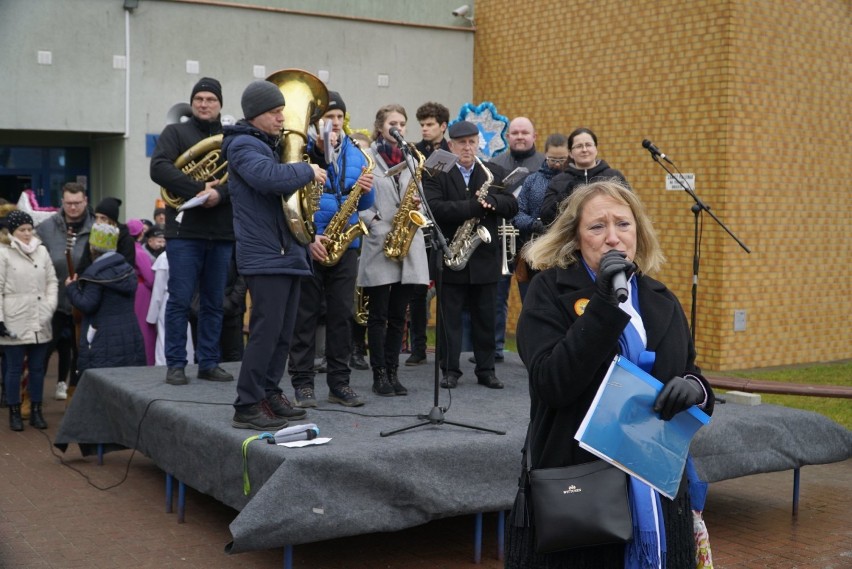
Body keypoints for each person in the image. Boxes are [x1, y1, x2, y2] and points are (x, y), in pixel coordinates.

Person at [505, 180, 715, 568]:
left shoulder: (661, 298)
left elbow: (693, 372)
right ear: (575, 236)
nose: (612, 238)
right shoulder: (548, 292)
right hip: (582, 488)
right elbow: (553, 383)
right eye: (597, 226)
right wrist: (605, 302)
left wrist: (694, 389)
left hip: (659, 488)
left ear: (639, 233)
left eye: (623, 224)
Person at [222, 79, 327, 429]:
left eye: (283, 110)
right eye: (275, 111)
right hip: (266, 253)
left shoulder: (269, 144)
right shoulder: (242, 145)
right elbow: (268, 179)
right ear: (255, 115)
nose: (283, 117)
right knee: (266, 331)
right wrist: (306, 170)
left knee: (283, 332)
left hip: (287, 251)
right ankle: (246, 404)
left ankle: (269, 393)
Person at [287, 90, 375, 409]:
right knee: (305, 315)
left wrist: (366, 191)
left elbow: (364, 203)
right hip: (310, 242)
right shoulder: (301, 152)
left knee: (342, 315)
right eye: (329, 118)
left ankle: (340, 382)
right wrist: (309, 238)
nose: (335, 123)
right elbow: (292, 202)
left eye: (339, 117)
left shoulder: (354, 152)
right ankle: (302, 382)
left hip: (345, 243)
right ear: (315, 123)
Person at [150, 76, 235, 386]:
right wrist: (200, 189)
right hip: (184, 232)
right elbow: (158, 167)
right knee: (180, 299)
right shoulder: (176, 132)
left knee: (214, 300)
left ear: (220, 104)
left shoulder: (231, 137)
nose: (204, 104)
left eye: (210, 99)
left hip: (222, 231)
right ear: (192, 102)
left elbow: (239, 179)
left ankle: (209, 362)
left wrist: (219, 195)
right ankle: (176, 363)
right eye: (199, 98)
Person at [423, 120, 517, 389]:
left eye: (472, 142)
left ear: (479, 143)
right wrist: (475, 208)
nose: (467, 147)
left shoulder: (494, 172)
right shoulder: (436, 172)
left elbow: (511, 205)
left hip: (484, 256)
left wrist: (493, 202)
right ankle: (450, 370)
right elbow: (436, 208)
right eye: (461, 143)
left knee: (486, 318)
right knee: (449, 319)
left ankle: (486, 370)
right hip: (451, 255)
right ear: (450, 145)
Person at [357, 104, 430, 396]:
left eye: (402, 122)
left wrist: (417, 207)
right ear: (380, 128)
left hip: (407, 243)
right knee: (378, 315)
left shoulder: (412, 159)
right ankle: (378, 375)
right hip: (379, 243)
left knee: (400, 315)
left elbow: (422, 199)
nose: (397, 127)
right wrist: (373, 223)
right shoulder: (367, 159)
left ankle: (392, 372)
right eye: (392, 123)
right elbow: (356, 196)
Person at [488, 116, 545, 363]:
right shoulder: (494, 163)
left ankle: (534, 351)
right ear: (507, 137)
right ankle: (495, 348)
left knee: (532, 299)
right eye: (515, 132)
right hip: (500, 241)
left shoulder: (544, 164)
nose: (520, 136)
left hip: (532, 243)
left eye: (525, 132)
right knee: (496, 298)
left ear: (534, 136)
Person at [35, 181, 93, 402]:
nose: (73, 207)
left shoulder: (97, 226)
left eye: (77, 203)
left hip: (84, 303)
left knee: (81, 355)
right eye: (68, 203)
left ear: (85, 200)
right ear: (62, 201)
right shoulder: (47, 228)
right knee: (43, 352)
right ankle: (32, 399)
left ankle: (74, 400)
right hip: (54, 302)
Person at [0, 211, 58, 431]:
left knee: (37, 368)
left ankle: (36, 409)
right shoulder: (4, 253)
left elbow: (52, 281)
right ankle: (14, 410)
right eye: (21, 230)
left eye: (29, 229)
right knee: (14, 368)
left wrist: (49, 305)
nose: (26, 234)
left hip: (40, 316)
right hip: (14, 317)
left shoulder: (41, 251)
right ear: (12, 231)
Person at [66, 223, 146, 379]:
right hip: (130, 334)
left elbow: (87, 305)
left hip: (102, 338)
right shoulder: (127, 270)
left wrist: (71, 288)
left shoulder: (95, 274)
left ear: (92, 247)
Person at [511, 133, 570, 301]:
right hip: (533, 253)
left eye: (562, 160)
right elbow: (517, 214)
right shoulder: (532, 180)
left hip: (565, 253)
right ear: (545, 155)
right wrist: (533, 224)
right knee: (533, 302)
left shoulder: (573, 179)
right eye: (553, 159)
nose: (558, 165)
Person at [539, 127, 629, 226]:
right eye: (579, 146)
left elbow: (630, 209)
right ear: (570, 153)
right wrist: (566, 193)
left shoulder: (614, 177)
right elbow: (546, 217)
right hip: (571, 238)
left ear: (596, 149)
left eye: (588, 145)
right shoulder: (558, 181)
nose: (584, 150)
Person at [76, 197, 136, 276]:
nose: (98, 222)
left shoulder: (126, 240)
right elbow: (83, 265)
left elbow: (127, 269)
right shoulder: (93, 236)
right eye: (96, 217)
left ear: (113, 220)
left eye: (103, 218)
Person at [127, 219, 157, 365]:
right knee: (146, 329)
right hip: (143, 292)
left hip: (134, 291)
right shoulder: (139, 252)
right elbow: (150, 279)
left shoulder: (127, 249)